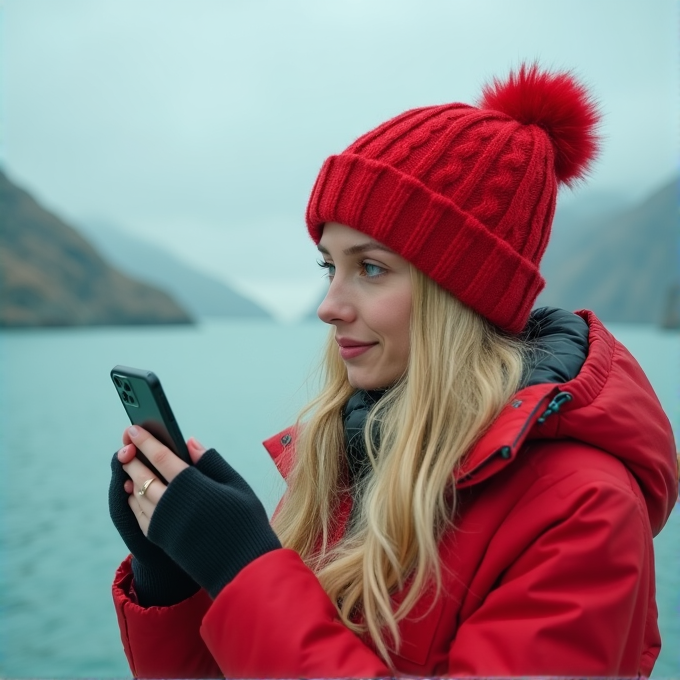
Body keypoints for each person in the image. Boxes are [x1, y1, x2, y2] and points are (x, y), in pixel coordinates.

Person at [109, 63, 679, 678]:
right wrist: (174, 578)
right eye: (330, 266)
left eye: (371, 267)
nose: (330, 306)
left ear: (460, 294)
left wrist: (246, 572)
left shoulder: (584, 510)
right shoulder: (348, 456)